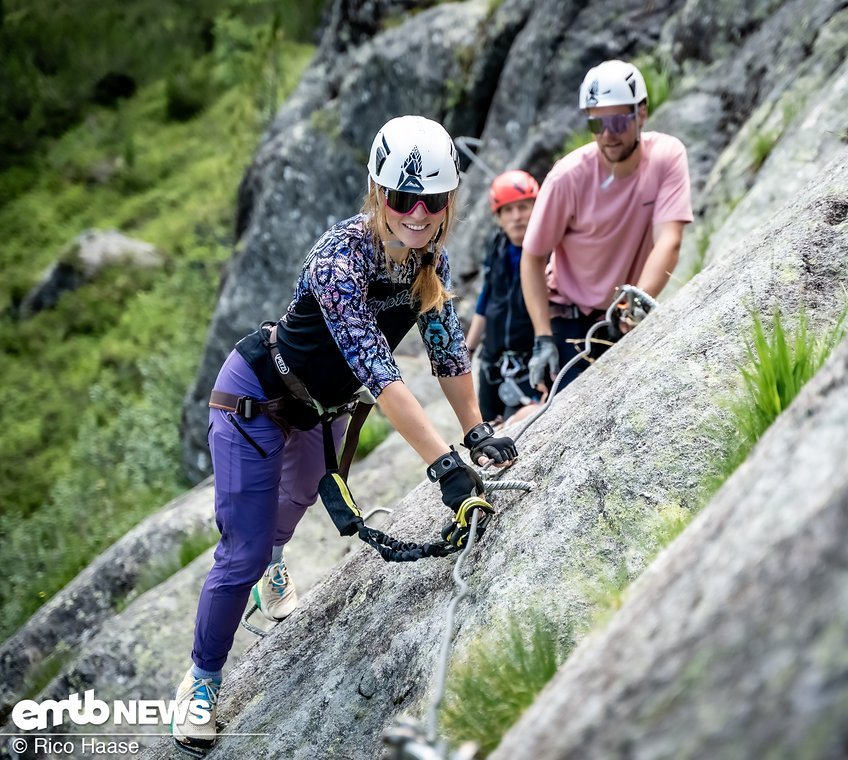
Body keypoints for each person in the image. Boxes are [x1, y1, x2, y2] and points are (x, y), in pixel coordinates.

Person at [171, 115, 518, 754]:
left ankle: (272, 562)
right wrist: (445, 469)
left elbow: (445, 352)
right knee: (242, 550)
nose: (417, 213)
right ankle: (201, 682)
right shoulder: (341, 261)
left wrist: (477, 431)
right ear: (376, 192)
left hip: (317, 411)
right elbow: (382, 377)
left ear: (448, 204)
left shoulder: (428, 261)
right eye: (402, 198)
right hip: (256, 395)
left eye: (432, 201)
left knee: (295, 506)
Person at [521, 59, 693, 393]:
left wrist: (633, 306)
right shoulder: (568, 177)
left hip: (624, 311)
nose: (608, 135)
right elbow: (533, 256)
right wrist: (543, 338)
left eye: (618, 120)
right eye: (597, 124)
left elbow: (668, 240)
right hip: (569, 316)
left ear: (641, 113)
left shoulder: (666, 157)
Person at [466, 169, 543, 423]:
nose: (517, 217)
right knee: (486, 429)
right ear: (498, 217)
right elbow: (486, 298)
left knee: (516, 427)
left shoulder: (549, 249)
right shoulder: (497, 246)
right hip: (493, 362)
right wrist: (470, 347)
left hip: (532, 360)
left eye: (524, 207)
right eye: (508, 210)